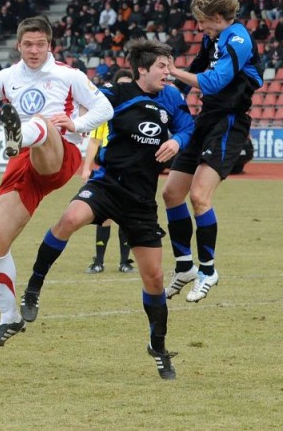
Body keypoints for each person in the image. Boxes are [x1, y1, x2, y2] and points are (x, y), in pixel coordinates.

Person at [0, 16, 113, 351]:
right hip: (23, 160)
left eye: (40, 44)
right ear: (18, 45)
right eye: (28, 44)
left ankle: (21, 134)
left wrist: (77, 123)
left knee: (41, 123)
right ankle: (9, 316)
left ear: (50, 45)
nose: (34, 50)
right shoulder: (7, 77)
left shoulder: (69, 76)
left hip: (59, 152)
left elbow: (105, 107)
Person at [19, 39, 195, 379]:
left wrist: (177, 140)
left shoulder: (172, 98)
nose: (168, 72)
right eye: (162, 66)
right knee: (69, 219)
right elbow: (86, 108)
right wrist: (73, 122)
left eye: (169, 66)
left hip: (141, 201)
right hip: (107, 185)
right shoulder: (117, 93)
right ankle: (33, 288)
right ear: (142, 69)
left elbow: (188, 127)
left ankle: (158, 347)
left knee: (155, 279)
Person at [162, 0, 262, 303]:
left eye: (202, 21)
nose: (200, 27)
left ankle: (207, 271)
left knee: (199, 196)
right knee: (171, 193)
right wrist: (167, 91)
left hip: (229, 122)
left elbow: (215, 80)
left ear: (218, 17)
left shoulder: (238, 39)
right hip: (206, 119)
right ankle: (184, 267)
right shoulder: (213, 38)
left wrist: (174, 72)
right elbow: (196, 70)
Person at [81, 69, 135, 274]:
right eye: (120, 84)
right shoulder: (105, 113)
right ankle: (99, 262)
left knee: (127, 216)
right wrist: (86, 168)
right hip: (108, 169)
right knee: (104, 216)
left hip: (131, 170)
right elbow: (94, 141)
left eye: (127, 84)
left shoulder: (138, 112)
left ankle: (125, 262)